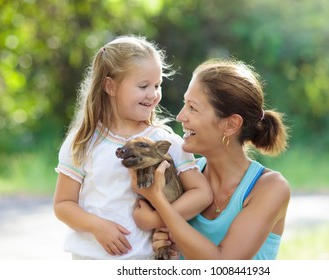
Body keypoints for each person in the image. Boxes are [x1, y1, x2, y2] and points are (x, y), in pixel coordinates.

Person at [53, 35, 212, 260]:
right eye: (143, 85)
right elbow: (63, 204)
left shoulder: (165, 142)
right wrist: (97, 226)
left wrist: (157, 219)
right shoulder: (83, 142)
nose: (153, 94)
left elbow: (201, 193)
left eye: (157, 85)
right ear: (111, 86)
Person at [131, 58, 291, 260]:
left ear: (231, 124)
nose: (180, 116)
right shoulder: (186, 177)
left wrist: (158, 204)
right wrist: (166, 252)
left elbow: (224, 265)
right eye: (184, 104)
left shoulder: (271, 188)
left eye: (193, 108)